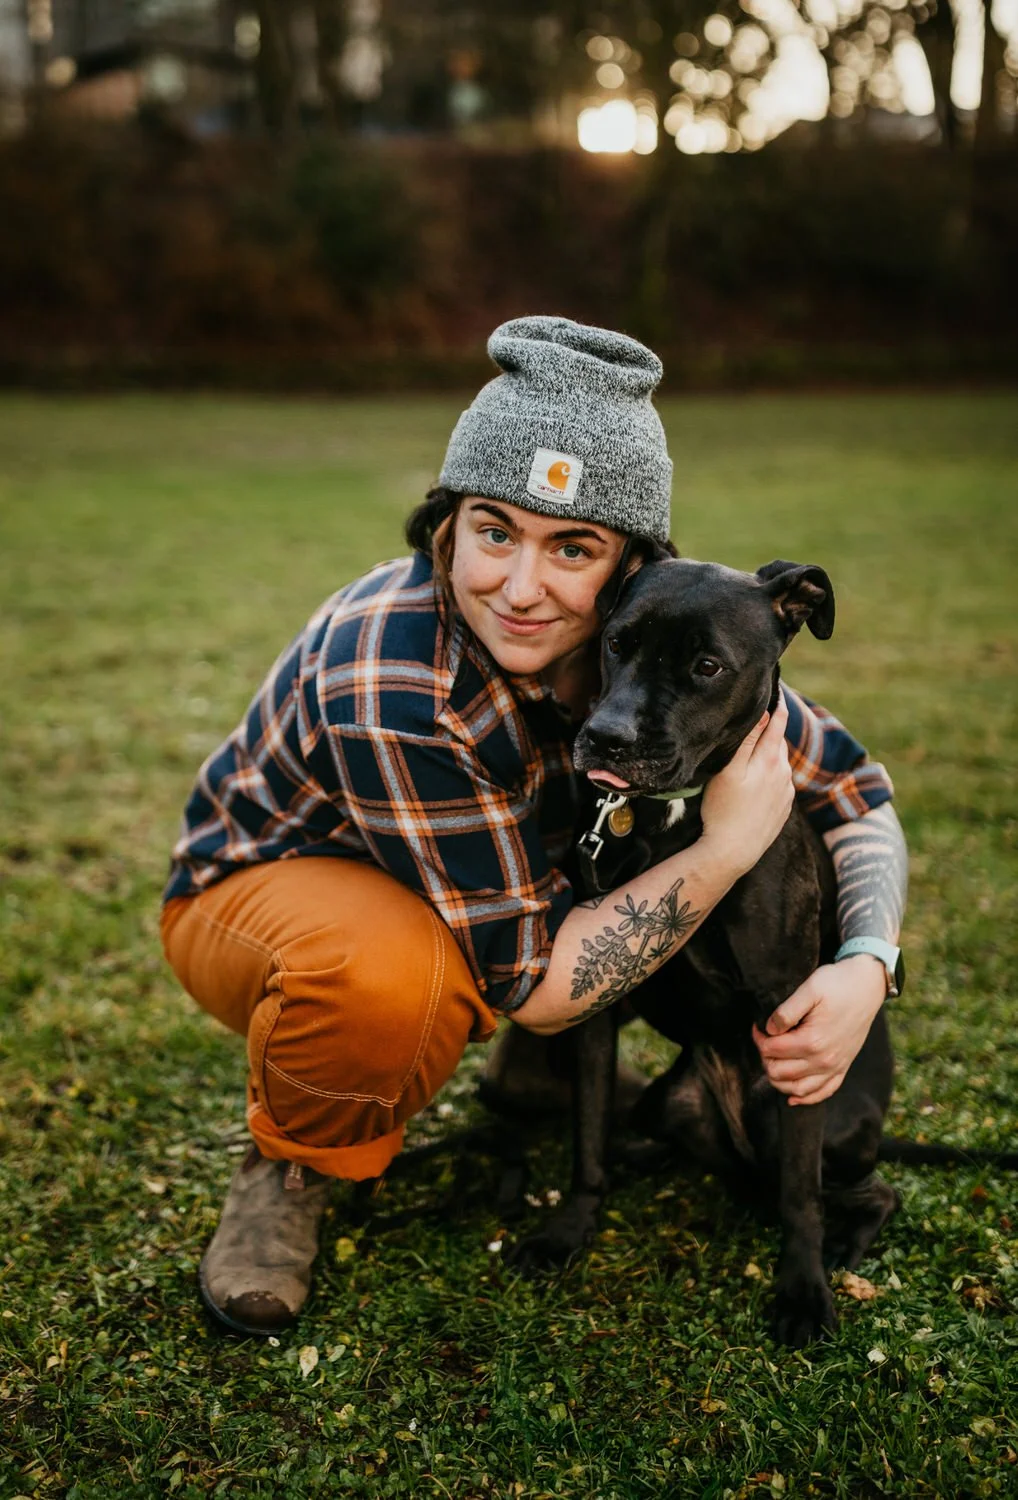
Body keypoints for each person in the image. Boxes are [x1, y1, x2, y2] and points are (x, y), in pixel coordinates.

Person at [160, 316, 907, 1336]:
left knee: (505, 924)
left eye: (572, 546)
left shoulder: (657, 636)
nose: (520, 588)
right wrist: (728, 843)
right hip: (263, 888)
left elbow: (857, 791)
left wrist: (865, 962)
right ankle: (290, 1165)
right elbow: (543, 986)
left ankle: (535, 1082)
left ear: (633, 567)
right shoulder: (391, 677)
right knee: (393, 976)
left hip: (472, 885)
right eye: (493, 530)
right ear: (446, 526)